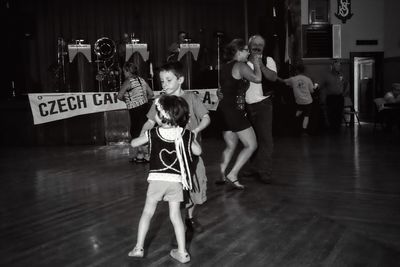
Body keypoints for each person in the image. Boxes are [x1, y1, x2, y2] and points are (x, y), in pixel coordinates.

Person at [128, 94, 201, 263]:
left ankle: (139, 247)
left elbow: (133, 144)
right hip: (175, 182)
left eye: (157, 112)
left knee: (147, 212)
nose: (155, 115)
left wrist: (144, 133)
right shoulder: (185, 134)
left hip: (157, 181)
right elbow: (197, 152)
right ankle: (182, 252)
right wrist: (190, 137)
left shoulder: (153, 133)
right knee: (175, 216)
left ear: (163, 116)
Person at [140, 61, 211, 232]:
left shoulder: (192, 98)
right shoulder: (159, 101)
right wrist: (142, 136)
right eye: (162, 81)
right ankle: (179, 221)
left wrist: (195, 131)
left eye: (168, 80)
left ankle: (190, 217)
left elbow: (206, 118)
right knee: (177, 191)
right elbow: (150, 122)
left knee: (196, 187)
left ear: (180, 80)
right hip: (172, 157)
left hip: (192, 154)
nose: (164, 84)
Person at [215, 38, 261, 189]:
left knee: (231, 145)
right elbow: (257, 78)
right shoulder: (240, 65)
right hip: (234, 111)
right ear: (239, 51)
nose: (248, 52)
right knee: (251, 145)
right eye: (246, 50)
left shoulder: (225, 66)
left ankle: (222, 173)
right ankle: (233, 174)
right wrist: (256, 64)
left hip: (224, 109)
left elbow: (222, 89)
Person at [240, 34, 277, 183]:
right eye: (254, 44)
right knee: (251, 141)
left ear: (264, 47)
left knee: (266, 140)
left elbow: (273, 78)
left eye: (260, 44)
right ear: (249, 46)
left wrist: (260, 65)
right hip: (246, 106)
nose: (257, 46)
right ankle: (254, 168)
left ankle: (264, 171)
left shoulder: (268, 60)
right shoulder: (242, 62)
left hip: (263, 105)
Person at [117, 62, 154, 163]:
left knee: (136, 131)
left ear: (128, 71)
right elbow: (151, 94)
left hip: (135, 110)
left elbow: (119, 96)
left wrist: (129, 101)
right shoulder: (142, 80)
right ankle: (141, 155)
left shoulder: (128, 81)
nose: (124, 73)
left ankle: (146, 155)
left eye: (124, 71)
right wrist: (143, 99)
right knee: (143, 130)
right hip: (145, 108)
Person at [282, 63, 315, 135]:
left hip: (299, 101)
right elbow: (312, 90)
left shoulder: (293, 79)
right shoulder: (308, 79)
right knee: (307, 115)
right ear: (304, 71)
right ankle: (304, 130)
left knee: (299, 111)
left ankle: (293, 124)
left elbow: (284, 81)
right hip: (308, 101)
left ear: (297, 70)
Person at [320, 60, 349, 132]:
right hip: (331, 97)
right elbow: (322, 86)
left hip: (339, 97)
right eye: (336, 65)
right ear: (333, 66)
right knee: (331, 113)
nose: (338, 67)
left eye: (339, 65)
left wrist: (344, 93)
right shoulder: (327, 75)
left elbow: (347, 84)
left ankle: (337, 128)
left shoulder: (342, 75)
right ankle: (332, 128)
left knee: (339, 113)